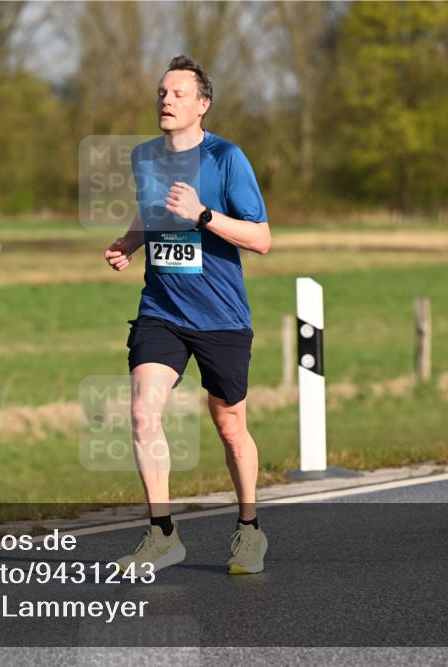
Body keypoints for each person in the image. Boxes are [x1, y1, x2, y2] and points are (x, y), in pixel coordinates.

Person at [104, 55, 272, 575]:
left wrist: (203, 214)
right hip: (162, 310)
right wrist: (131, 242)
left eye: (178, 93)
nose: (166, 100)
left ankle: (249, 529)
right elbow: (153, 210)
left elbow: (262, 239)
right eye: (161, 92)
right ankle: (162, 534)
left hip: (221, 316)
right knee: (140, 412)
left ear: (203, 105)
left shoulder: (227, 158)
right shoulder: (145, 158)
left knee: (229, 426)